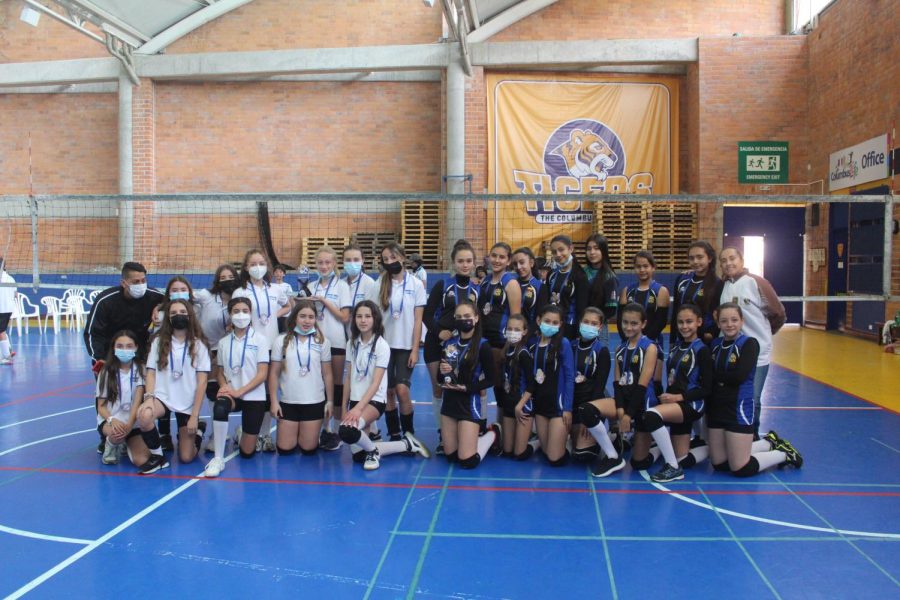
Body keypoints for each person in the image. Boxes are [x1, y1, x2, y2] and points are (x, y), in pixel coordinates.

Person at [704, 303, 801, 477]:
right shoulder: (715, 345)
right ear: (718, 324)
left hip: (738, 408)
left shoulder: (749, 344)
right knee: (719, 464)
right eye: (724, 321)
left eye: (734, 320)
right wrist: (719, 376)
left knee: (740, 468)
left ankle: (783, 453)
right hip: (717, 409)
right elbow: (710, 375)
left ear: (742, 321)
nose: (729, 324)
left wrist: (715, 376)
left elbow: (739, 376)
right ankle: (767, 443)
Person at [338, 301, 431, 469]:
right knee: (359, 455)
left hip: (373, 401)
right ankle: (405, 444)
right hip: (355, 400)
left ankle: (373, 451)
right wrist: (345, 408)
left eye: (367, 316)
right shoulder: (351, 343)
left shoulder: (382, 346)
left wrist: (358, 408)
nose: (363, 320)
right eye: (359, 316)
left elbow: (376, 383)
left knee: (347, 431)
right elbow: (348, 378)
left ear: (375, 319)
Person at [85, 262, 165, 452]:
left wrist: (161, 306)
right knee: (107, 396)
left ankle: (154, 433)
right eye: (135, 281)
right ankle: (107, 437)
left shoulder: (154, 296)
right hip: (109, 358)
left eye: (143, 280)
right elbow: (91, 333)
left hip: (140, 357)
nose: (141, 284)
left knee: (148, 394)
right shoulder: (106, 301)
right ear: (124, 283)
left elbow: (174, 301)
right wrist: (99, 359)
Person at [580, 303, 658, 477]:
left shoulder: (650, 348)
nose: (628, 327)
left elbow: (642, 386)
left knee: (638, 462)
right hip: (625, 402)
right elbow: (617, 384)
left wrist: (628, 414)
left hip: (642, 405)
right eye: (625, 322)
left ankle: (655, 447)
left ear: (643, 324)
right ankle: (612, 456)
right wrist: (621, 409)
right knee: (587, 409)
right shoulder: (619, 348)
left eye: (634, 323)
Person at [137, 299, 211, 473]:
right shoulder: (158, 342)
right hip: (162, 397)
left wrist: (194, 415)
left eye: (183, 312)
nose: (179, 316)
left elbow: (202, 382)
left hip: (187, 402)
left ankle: (198, 432)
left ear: (190, 316)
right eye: (174, 313)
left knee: (186, 457)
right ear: (168, 318)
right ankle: (158, 457)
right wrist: (149, 398)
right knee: (145, 415)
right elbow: (151, 372)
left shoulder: (199, 345)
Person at [719, 247, 785, 436]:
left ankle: (753, 436)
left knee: (753, 397)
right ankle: (737, 434)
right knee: (734, 395)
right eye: (724, 260)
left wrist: (764, 335)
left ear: (741, 259)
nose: (728, 263)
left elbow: (778, 313)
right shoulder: (724, 284)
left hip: (757, 352)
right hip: (733, 352)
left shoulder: (756, 282)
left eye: (732, 258)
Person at [204, 297, 271, 478]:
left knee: (247, 453)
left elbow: (262, 374)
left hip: (253, 395)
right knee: (220, 407)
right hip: (232, 394)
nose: (241, 315)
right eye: (236, 311)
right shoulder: (224, 342)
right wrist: (224, 386)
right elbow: (219, 371)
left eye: (245, 311)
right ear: (230, 315)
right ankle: (218, 458)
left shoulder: (261, 340)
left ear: (250, 314)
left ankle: (242, 434)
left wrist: (239, 391)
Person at [366, 243, 426, 442]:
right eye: (386, 259)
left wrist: (415, 350)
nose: (390, 262)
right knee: (389, 392)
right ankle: (394, 433)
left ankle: (409, 435)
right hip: (384, 346)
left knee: (402, 390)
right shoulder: (380, 284)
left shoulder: (416, 284)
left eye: (393, 257)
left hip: (406, 347)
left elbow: (418, 320)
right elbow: (372, 315)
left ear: (402, 256)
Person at [646, 304, 713, 483]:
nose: (684, 326)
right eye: (680, 322)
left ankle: (672, 468)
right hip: (676, 404)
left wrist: (678, 398)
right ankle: (714, 450)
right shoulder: (677, 347)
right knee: (682, 457)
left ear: (699, 322)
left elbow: (707, 388)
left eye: (689, 322)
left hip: (690, 405)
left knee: (651, 416)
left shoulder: (702, 350)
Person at [232, 249, 291, 452]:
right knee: (253, 393)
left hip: (272, 346)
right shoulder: (241, 292)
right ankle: (250, 433)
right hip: (251, 348)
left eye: (261, 263)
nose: (258, 267)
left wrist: (274, 315)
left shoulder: (274, 289)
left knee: (268, 392)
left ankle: (265, 434)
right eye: (253, 264)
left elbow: (289, 305)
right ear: (246, 268)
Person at [423, 240, 479, 452]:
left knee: (464, 388)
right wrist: (439, 332)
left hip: (463, 346)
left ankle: (472, 429)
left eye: (469, 261)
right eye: (461, 261)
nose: (465, 265)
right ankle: (442, 434)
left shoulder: (476, 290)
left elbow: (477, 318)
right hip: (437, 344)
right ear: (453, 263)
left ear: (474, 263)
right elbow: (428, 314)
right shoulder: (443, 285)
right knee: (439, 389)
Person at [439, 300, 501, 469]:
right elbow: (441, 376)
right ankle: (466, 439)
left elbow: (491, 379)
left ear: (476, 318)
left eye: (467, 316)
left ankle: (492, 434)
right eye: (459, 317)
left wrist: (468, 388)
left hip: (468, 402)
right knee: (451, 456)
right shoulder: (448, 343)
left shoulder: (483, 345)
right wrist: (442, 371)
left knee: (467, 461)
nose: (463, 320)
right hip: (449, 402)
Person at [268, 299, 334, 456]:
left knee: (308, 449)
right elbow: (274, 373)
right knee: (285, 449)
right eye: (302, 316)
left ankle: (312, 435)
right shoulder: (281, 341)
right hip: (288, 403)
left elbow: (328, 374)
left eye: (311, 317)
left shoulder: (322, 342)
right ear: (295, 318)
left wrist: (330, 401)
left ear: (315, 319)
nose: (307, 321)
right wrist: (274, 401)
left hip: (314, 403)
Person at [515, 305, 575, 466]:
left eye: (555, 322)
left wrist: (567, 408)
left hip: (558, 407)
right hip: (540, 406)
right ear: (538, 320)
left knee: (554, 459)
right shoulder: (532, 344)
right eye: (547, 321)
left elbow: (569, 377)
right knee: (546, 452)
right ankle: (543, 442)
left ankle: (568, 443)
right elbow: (527, 376)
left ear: (561, 324)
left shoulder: (563, 344)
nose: (551, 325)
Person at [309, 246, 352, 450]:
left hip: (336, 342)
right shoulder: (310, 285)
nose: (324, 266)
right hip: (315, 343)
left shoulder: (342, 286)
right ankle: (322, 429)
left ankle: (336, 431)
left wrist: (324, 301)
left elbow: (345, 317)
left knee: (335, 386)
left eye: (328, 262)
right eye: (320, 263)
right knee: (319, 387)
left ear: (335, 264)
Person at [478, 242, 522, 430]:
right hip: (484, 342)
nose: (497, 260)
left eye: (501, 257)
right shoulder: (485, 281)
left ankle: (505, 428)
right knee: (484, 384)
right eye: (494, 256)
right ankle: (486, 426)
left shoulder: (510, 283)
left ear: (508, 260)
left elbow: (516, 317)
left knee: (504, 386)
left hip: (501, 343)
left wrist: (508, 348)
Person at [96, 330, 150, 468]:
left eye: (129, 346)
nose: (124, 350)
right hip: (112, 420)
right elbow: (101, 406)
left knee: (142, 460)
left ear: (136, 347)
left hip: (132, 421)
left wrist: (130, 425)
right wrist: (111, 420)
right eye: (120, 346)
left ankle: (127, 443)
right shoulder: (106, 371)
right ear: (113, 347)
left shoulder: (141, 369)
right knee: (117, 433)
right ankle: (111, 444)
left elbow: (138, 401)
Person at [619, 250, 669, 395]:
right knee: (630, 378)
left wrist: (643, 342)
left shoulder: (661, 291)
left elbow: (661, 322)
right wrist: (629, 340)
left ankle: (656, 413)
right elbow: (620, 319)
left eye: (646, 266)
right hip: (629, 342)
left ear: (653, 267)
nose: (642, 270)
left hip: (653, 342)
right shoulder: (627, 291)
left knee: (655, 380)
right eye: (638, 266)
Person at [569, 308, 612, 464]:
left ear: (600, 327)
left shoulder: (602, 351)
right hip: (570, 405)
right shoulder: (570, 346)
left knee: (582, 454)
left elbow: (599, 389)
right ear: (580, 323)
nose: (589, 326)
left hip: (588, 405)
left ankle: (604, 436)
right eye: (586, 322)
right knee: (559, 453)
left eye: (594, 323)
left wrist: (589, 418)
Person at [496, 314, 536, 459]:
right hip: (509, 404)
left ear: (524, 331)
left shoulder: (523, 354)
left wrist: (520, 405)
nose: (512, 332)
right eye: (510, 329)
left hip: (523, 405)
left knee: (519, 454)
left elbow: (532, 385)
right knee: (507, 452)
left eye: (517, 329)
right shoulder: (505, 351)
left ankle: (537, 443)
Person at [536, 234, 589, 339]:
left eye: (561, 250)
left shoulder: (580, 276)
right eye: (554, 252)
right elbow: (546, 302)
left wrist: (579, 333)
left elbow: (582, 308)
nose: (558, 254)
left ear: (571, 249)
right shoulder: (551, 275)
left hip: (570, 327)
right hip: (552, 326)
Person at [670, 241, 721, 346]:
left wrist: (709, 335)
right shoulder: (682, 279)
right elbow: (676, 310)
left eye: (700, 257)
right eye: (691, 258)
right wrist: (672, 340)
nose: (695, 261)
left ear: (709, 258)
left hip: (705, 340)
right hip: (682, 337)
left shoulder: (717, 283)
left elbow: (717, 313)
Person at [584, 234, 618, 346]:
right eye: (589, 249)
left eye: (596, 248)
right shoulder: (582, 272)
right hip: (581, 326)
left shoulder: (609, 277)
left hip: (599, 328)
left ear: (604, 250)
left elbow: (611, 309)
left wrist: (594, 321)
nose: (592, 252)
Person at [511, 247, 542, 333]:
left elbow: (540, 315)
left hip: (530, 333)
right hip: (511, 330)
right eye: (515, 264)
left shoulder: (540, 286)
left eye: (522, 262)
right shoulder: (510, 283)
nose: (518, 267)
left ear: (531, 263)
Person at [0, 257, 15, 365]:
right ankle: (9, 351)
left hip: (1, 309)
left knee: (0, 332)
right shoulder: (10, 278)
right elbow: (15, 294)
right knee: (2, 331)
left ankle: (7, 357)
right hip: (9, 309)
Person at [272, 264, 295, 334]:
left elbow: (291, 300)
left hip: (286, 315)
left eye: (280, 272)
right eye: (276, 272)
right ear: (273, 274)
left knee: (284, 334)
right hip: (274, 315)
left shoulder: (287, 286)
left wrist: (294, 313)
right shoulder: (271, 286)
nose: (278, 274)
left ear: (284, 274)